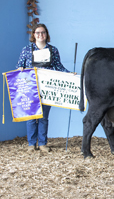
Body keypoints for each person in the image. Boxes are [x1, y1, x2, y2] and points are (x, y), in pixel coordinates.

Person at [16, 23, 73, 152]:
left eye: (43, 32)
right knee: (31, 117)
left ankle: (42, 143)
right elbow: (19, 65)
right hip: (30, 87)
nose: (41, 35)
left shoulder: (53, 50)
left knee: (43, 117)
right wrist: (20, 69)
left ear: (46, 34)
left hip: (47, 88)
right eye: (38, 33)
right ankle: (31, 144)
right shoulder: (26, 49)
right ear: (33, 35)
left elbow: (58, 66)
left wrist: (69, 74)